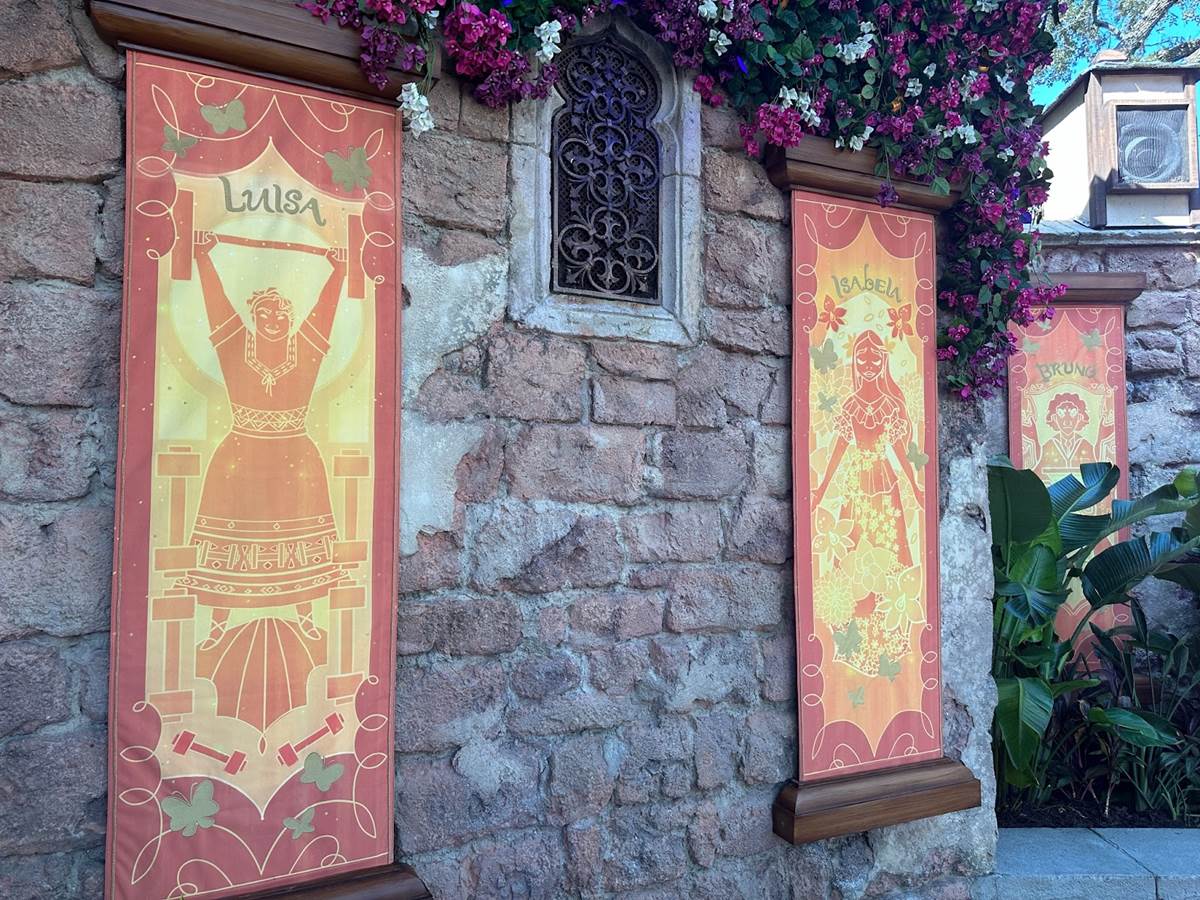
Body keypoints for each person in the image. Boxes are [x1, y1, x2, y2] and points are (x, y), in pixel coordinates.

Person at [173, 230, 349, 732]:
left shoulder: (305, 348)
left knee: (299, 543)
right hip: (242, 455)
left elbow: (325, 313)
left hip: (295, 457)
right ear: (254, 318)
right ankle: (218, 624)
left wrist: (338, 271)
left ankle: (307, 617)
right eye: (267, 313)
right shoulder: (236, 345)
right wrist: (203, 256)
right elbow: (216, 307)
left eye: (282, 313)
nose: (276, 319)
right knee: (232, 546)